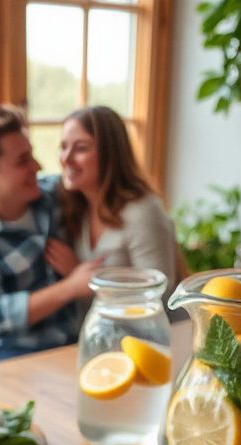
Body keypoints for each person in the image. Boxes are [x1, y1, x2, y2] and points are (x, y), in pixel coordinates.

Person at [0, 105, 101, 362]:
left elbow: (108, 188)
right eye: (22, 161)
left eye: (32, 155)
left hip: (78, 348)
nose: (37, 166)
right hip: (16, 360)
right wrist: (71, 286)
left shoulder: (55, 196)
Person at [46, 105, 181, 305]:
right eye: (63, 147)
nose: (66, 159)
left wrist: (83, 277)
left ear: (110, 154)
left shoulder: (142, 211)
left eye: (81, 148)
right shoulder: (75, 205)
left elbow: (160, 293)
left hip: (144, 333)